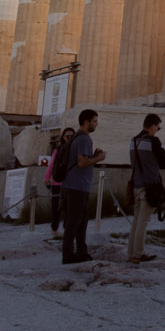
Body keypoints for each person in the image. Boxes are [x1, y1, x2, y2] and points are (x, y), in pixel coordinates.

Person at [59, 111, 106, 264]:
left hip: (74, 185)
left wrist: (93, 155)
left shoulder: (77, 137)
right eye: (95, 121)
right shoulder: (84, 139)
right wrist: (99, 158)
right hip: (77, 186)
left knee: (80, 221)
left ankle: (81, 251)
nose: (96, 124)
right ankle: (68, 254)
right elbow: (82, 163)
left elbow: (82, 159)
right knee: (74, 222)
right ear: (86, 122)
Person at [127, 113, 165, 263]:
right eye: (158, 127)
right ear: (152, 126)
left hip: (136, 185)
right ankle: (138, 253)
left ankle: (131, 252)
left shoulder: (133, 141)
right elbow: (163, 161)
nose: (158, 130)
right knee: (143, 221)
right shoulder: (153, 141)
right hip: (150, 186)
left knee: (136, 220)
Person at [43, 127, 76, 235]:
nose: (70, 138)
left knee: (69, 207)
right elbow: (52, 165)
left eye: (72, 136)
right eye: (67, 136)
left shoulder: (75, 149)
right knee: (55, 206)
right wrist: (46, 178)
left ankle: (67, 228)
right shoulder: (58, 149)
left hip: (70, 182)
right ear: (63, 137)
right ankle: (54, 228)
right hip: (57, 181)